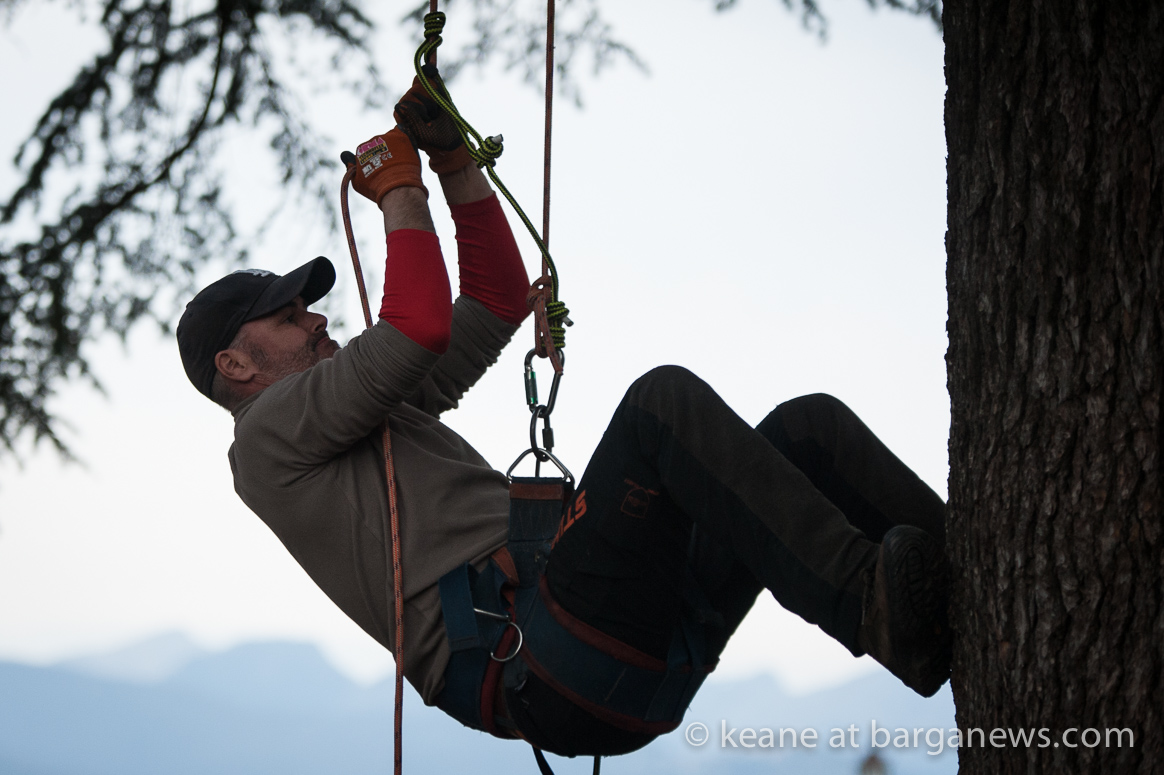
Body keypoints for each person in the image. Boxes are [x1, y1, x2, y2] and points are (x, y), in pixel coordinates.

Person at [176, 71, 952, 761]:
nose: (314, 320)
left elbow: (494, 299)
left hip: (590, 639)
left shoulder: (354, 413)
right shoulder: (268, 437)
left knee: (807, 430)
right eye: (286, 317)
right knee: (661, 405)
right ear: (235, 366)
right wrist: (400, 193)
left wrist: (454, 164)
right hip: (541, 653)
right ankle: (869, 605)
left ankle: (969, 580)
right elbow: (416, 326)